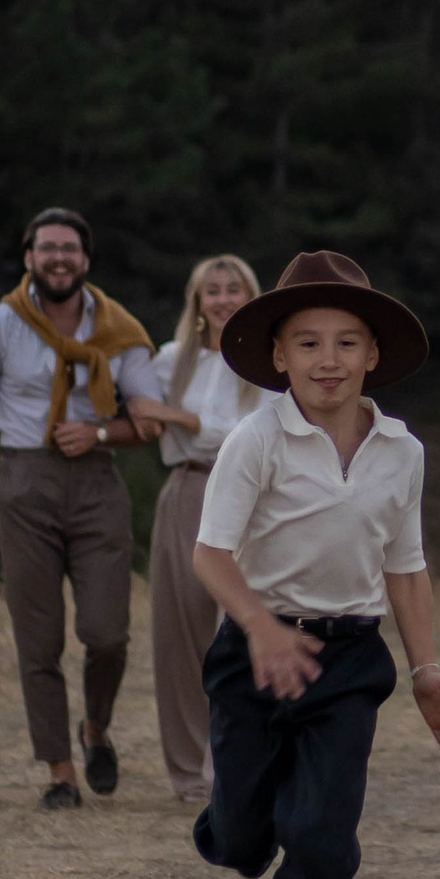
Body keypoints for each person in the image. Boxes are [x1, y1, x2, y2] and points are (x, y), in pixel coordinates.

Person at [189, 249, 440, 879]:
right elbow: (210, 554)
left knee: (323, 843)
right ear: (278, 356)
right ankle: (230, 824)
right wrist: (263, 628)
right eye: (308, 342)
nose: (329, 359)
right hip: (253, 651)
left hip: (348, 663)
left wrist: (426, 671)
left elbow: (406, 566)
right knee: (245, 843)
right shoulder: (257, 439)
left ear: (374, 353)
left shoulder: (402, 450)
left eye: (347, 341)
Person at [0, 206, 171, 810]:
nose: (59, 258)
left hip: (97, 483)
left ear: (86, 260)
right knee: (37, 639)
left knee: (107, 634)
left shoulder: (120, 329)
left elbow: (148, 420)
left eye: (69, 248)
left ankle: (95, 729)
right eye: (47, 248)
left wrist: (99, 434)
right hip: (23, 479)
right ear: (29, 259)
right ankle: (61, 773)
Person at [144, 254, 261, 805]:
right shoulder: (170, 362)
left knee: (240, 631)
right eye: (211, 290)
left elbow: (254, 433)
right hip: (189, 489)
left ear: (249, 295)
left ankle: (240, 763)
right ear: (197, 302)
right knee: (181, 635)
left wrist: (188, 421)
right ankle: (189, 773)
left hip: (253, 498)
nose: (222, 299)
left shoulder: (269, 362)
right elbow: (136, 405)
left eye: (232, 289)